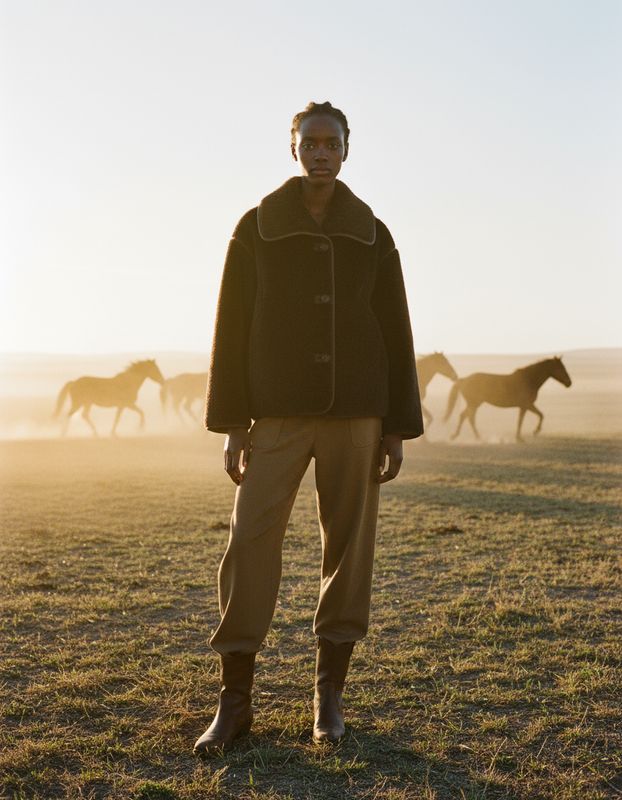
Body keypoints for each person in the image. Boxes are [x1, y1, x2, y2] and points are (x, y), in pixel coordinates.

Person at [194, 101, 424, 756]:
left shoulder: (373, 233)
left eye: (332, 143)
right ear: (292, 148)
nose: (322, 152)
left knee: (350, 550)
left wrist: (397, 425)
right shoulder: (256, 227)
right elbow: (231, 324)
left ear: (347, 150)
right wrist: (232, 422)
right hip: (277, 412)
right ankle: (234, 701)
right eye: (311, 142)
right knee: (248, 540)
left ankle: (329, 698)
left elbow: (396, 328)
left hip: (358, 410)